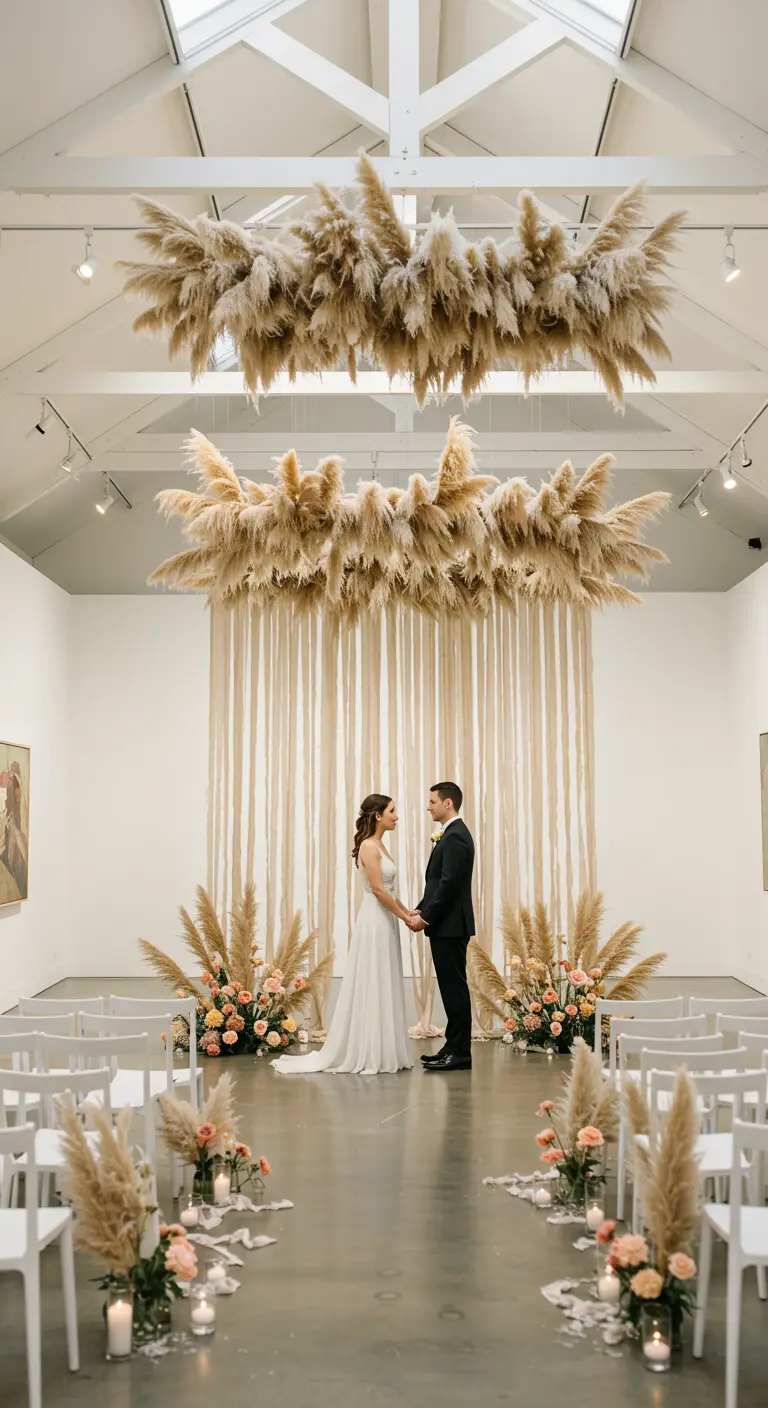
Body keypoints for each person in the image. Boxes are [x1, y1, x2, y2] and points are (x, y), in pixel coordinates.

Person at [273, 794, 414, 1076]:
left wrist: (409, 913)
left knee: (384, 976)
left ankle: (385, 1048)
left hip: (386, 918)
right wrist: (405, 917)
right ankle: (369, 1050)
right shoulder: (368, 846)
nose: (396, 816)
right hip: (375, 920)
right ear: (377, 815)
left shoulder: (381, 846)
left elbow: (390, 891)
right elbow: (377, 890)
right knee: (374, 976)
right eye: (392, 811)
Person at [406, 782, 474, 1072]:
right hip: (445, 924)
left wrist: (426, 918)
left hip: (450, 926)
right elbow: (437, 883)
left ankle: (460, 1054)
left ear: (448, 803)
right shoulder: (450, 834)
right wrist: (422, 905)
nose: (428, 806)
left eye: (432, 801)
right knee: (449, 989)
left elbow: (449, 885)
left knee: (454, 990)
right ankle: (452, 1046)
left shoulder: (457, 836)